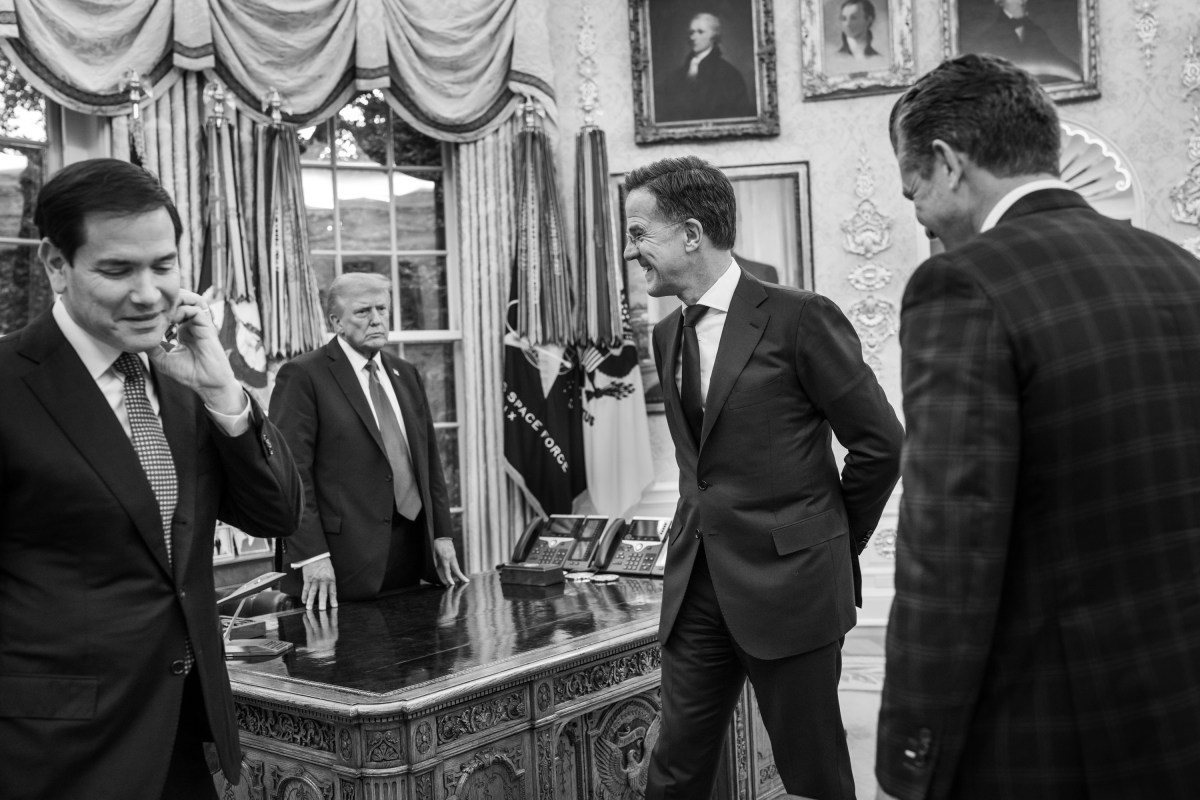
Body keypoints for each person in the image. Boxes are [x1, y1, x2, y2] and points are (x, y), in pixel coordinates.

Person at [876, 54, 1200, 800]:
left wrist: (911, 753)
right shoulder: (1177, 269)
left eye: (913, 187)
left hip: (1056, 725)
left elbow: (949, 542)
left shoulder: (962, 284)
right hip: (1178, 701)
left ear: (949, 163)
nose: (918, 211)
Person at [0, 158, 304, 799]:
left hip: (185, 737)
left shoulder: (182, 375)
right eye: (117, 270)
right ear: (57, 265)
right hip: (50, 753)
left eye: (163, 265)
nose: (149, 294)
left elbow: (276, 515)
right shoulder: (10, 384)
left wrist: (225, 390)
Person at [623, 156, 903, 799]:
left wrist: (829, 542)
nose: (631, 251)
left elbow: (881, 444)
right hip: (696, 590)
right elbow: (702, 470)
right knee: (674, 769)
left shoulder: (801, 317)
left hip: (793, 588)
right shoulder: (666, 334)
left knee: (814, 772)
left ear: (691, 233)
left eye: (640, 234)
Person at [270, 272, 468, 611]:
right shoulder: (303, 375)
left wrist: (442, 535)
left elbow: (429, 463)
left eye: (382, 309)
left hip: (411, 557)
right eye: (363, 311)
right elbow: (290, 476)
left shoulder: (405, 373)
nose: (377, 319)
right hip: (339, 565)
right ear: (336, 321)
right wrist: (313, 556)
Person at [656, 13, 754, 123]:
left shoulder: (729, 74)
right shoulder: (677, 75)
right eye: (691, 32)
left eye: (700, 32)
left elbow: (739, 116)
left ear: (714, 36)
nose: (693, 37)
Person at [977, 0, 1079, 81]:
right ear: (999, 1)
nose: (1023, 1)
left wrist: (1082, 72)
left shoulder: (1036, 31)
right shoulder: (988, 37)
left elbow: (1055, 56)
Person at [828, 0, 885, 72]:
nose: (848, 24)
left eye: (854, 18)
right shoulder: (834, 59)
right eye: (844, 19)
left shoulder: (879, 59)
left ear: (869, 20)